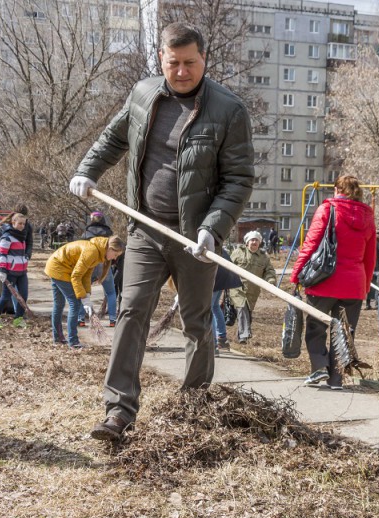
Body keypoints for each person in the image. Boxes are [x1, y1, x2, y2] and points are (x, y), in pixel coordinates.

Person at [69, 22, 254, 440]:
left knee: (196, 320)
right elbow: (113, 138)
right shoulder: (143, 95)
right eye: (174, 63)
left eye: (190, 63)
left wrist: (213, 229)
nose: (183, 72)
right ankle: (118, 412)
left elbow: (239, 180)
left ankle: (195, 405)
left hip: (195, 238)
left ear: (203, 59)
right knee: (132, 312)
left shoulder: (228, 109)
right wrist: (87, 170)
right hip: (145, 231)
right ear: (161, 60)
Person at [290, 175, 376, 390]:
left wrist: (297, 273)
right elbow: (371, 256)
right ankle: (336, 379)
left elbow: (311, 243)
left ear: (338, 189)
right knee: (344, 332)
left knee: (315, 327)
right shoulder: (368, 216)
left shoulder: (328, 209)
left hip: (324, 281)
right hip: (354, 284)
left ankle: (319, 368)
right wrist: (365, 286)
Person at [45, 236, 125, 348]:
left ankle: (58, 338)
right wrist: (83, 297)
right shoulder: (92, 251)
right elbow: (76, 276)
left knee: (59, 304)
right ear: (110, 248)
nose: (115, 258)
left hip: (55, 266)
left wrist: (87, 295)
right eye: (115, 255)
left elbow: (86, 275)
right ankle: (73, 342)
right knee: (75, 304)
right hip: (60, 268)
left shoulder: (98, 252)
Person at [229, 231, 276, 344]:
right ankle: (244, 335)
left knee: (247, 312)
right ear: (247, 242)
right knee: (242, 308)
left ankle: (241, 335)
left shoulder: (264, 257)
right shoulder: (238, 253)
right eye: (252, 240)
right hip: (237, 288)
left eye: (256, 240)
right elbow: (227, 266)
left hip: (253, 291)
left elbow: (269, 271)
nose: (254, 242)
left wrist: (271, 280)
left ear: (259, 243)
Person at [0, 213, 29, 329]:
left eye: (23, 224)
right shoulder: (7, 237)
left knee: (24, 296)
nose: (22, 226)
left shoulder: (22, 236)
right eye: (20, 223)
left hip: (22, 271)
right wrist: (2, 270)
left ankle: (18, 319)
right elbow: (2, 254)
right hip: (10, 272)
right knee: (6, 296)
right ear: (13, 223)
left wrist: (25, 260)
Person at [212, 248, 242, 355]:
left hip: (216, 273)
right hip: (224, 272)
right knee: (215, 306)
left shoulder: (199, 236)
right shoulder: (214, 238)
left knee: (208, 308)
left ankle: (213, 343)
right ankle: (222, 339)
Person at [365, 228, 379, 310]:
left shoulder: (378, 243)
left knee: (377, 285)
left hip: (376, 267)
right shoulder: (372, 242)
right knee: (371, 286)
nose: (378, 235)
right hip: (372, 267)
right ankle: (368, 303)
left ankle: (375, 303)